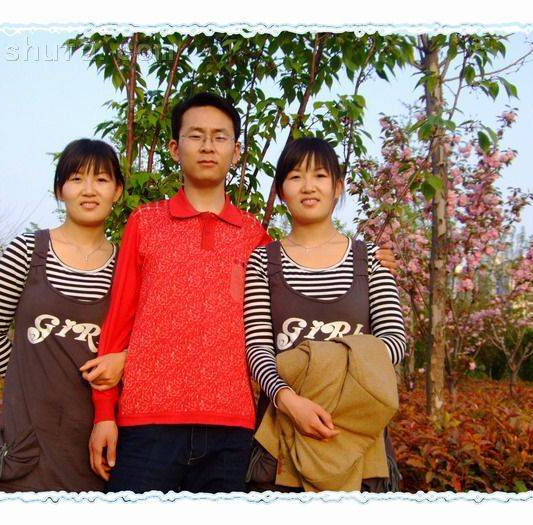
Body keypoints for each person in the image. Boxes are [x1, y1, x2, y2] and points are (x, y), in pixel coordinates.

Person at [83, 93, 399, 493]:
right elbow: (120, 319)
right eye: (196, 136)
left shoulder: (256, 240)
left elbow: (285, 313)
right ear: (175, 148)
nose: (208, 146)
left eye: (220, 137)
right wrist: (104, 413)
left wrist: (370, 264)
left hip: (232, 429)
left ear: (236, 153)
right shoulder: (145, 223)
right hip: (147, 422)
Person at [243, 137, 406, 491]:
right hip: (281, 436)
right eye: (295, 176)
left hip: (360, 434)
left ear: (337, 187)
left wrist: (315, 366)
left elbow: (394, 342)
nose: (308, 186)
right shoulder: (263, 262)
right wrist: (289, 401)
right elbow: (257, 350)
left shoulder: (370, 260)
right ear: (281, 191)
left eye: (319, 175)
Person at [0, 138, 126, 492]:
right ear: (60, 190)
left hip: (95, 436)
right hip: (28, 437)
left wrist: (125, 359)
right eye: (76, 179)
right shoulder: (26, 251)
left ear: (117, 191)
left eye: (101, 179)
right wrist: (28, 384)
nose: (89, 190)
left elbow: (142, 342)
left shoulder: (125, 266)